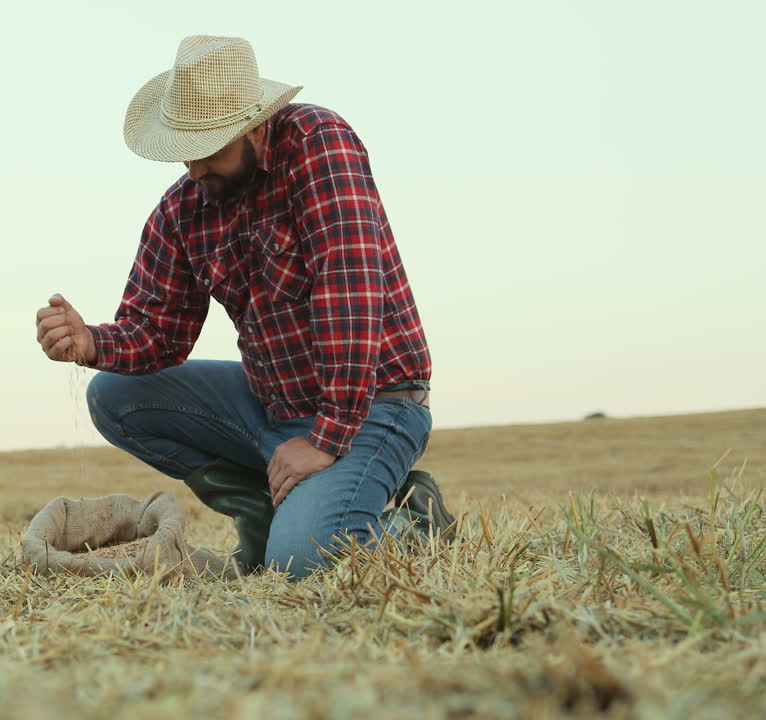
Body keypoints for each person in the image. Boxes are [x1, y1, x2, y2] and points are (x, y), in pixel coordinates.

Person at [35, 35, 455, 580]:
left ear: (255, 127)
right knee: (114, 395)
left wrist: (325, 439)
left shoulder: (319, 143)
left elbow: (348, 289)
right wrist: (91, 342)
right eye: (186, 147)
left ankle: (413, 523)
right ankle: (260, 511)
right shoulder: (185, 206)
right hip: (272, 404)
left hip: (373, 404)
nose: (195, 167)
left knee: (302, 562)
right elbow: (158, 331)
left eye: (211, 148)